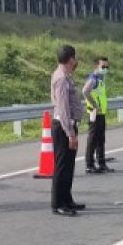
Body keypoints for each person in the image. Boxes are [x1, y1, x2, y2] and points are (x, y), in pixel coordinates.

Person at [50, 44, 86, 216]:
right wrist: (70, 133)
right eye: (75, 57)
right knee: (62, 166)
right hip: (63, 126)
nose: (76, 60)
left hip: (69, 125)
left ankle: (67, 199)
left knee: (69, 166)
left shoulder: (66, 76)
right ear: (71, 59)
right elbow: (63, 108)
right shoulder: (61, 78)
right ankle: (58, 203)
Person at [82, 56, 114, 174]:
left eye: (107, 66)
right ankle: (89, 164)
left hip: (101, 113)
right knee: (93, 139)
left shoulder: (101, 79)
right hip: (94, 113)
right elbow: (85, 91)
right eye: (103, 66)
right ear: (97, 66)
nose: (105, 68)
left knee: (101, 139)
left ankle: (101, 163)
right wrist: (94, 104)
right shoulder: (93, 79)